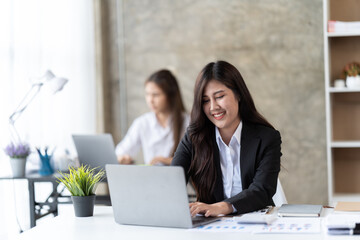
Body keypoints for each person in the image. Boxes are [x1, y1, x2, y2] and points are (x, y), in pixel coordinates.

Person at [171, 60, 282, 217]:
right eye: (205, 100)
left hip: (256, 224)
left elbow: (262, 190)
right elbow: (171, 184)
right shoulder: (194, 137)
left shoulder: (267, 138)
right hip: (211, 227)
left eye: (220, 96)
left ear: (238, 94)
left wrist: (224, 207)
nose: (213, 107)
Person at [116, 69, 189, 166]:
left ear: (170, 95)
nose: (150, 100)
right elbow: (121, 152)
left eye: (156, 95)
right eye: (147, 94)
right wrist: (122, 158)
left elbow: (196, 160)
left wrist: (165, 160)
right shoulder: (142, 123)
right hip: (149, 179)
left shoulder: (188, 121)